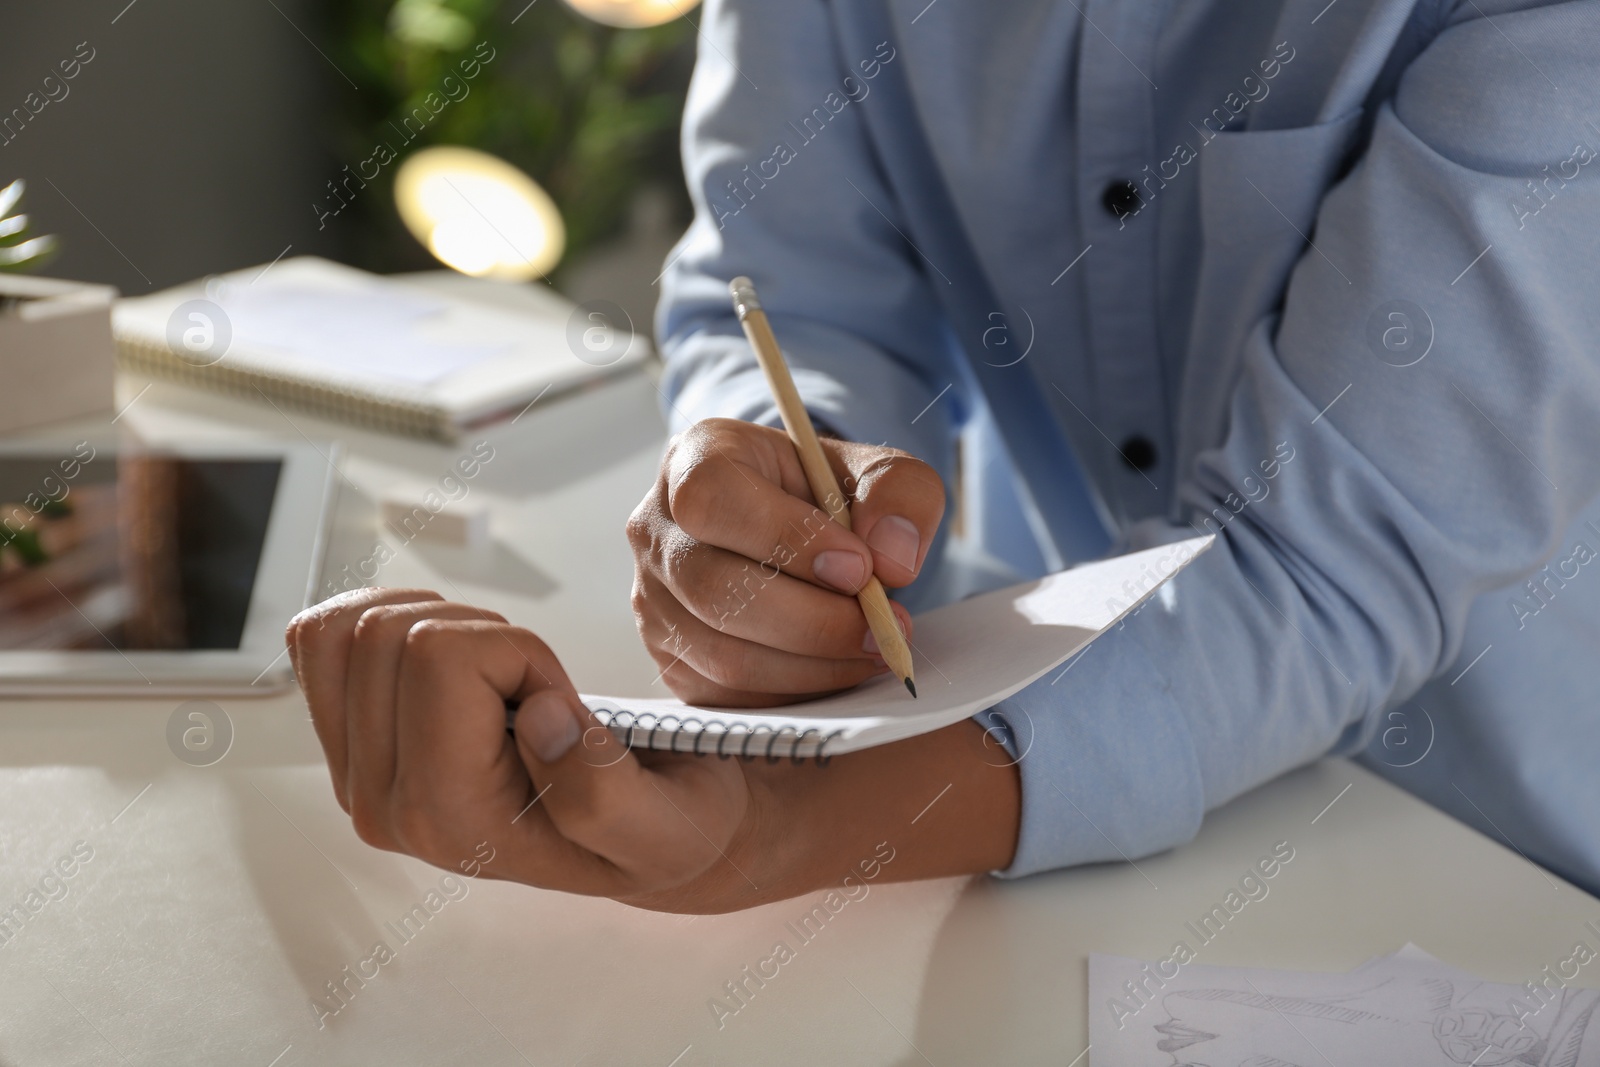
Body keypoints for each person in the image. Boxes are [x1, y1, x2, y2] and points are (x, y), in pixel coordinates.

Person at [287, 0, 1600, 909]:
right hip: (1032, 817)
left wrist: (774, 831)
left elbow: (1329, 565)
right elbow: (787, 290)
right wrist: (782, 490)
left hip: (1511, 872)